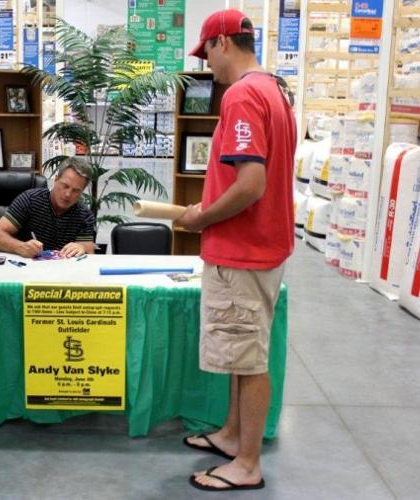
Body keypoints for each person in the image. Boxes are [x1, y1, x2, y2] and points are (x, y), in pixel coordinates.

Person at [175, 9, 296, 493]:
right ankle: (230, 435)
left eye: (207, 54)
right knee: (239, 347)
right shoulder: (274, 90)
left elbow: (251, 183)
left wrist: (201, 218)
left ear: (224, 42)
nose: (207, 67)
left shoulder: (244, 94)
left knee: (248, 357)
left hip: (244, 249)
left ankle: (246, 463)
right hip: (261, 243)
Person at [0, 156, 95, 258]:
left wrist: (81, 248)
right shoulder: (30, 200)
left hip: (61, 271)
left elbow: (89, 252)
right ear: (56, 179)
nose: (68, 194)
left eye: (76, 190)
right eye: (65, 186)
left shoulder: (84, 215)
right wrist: (20, 247)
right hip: (25, 268)